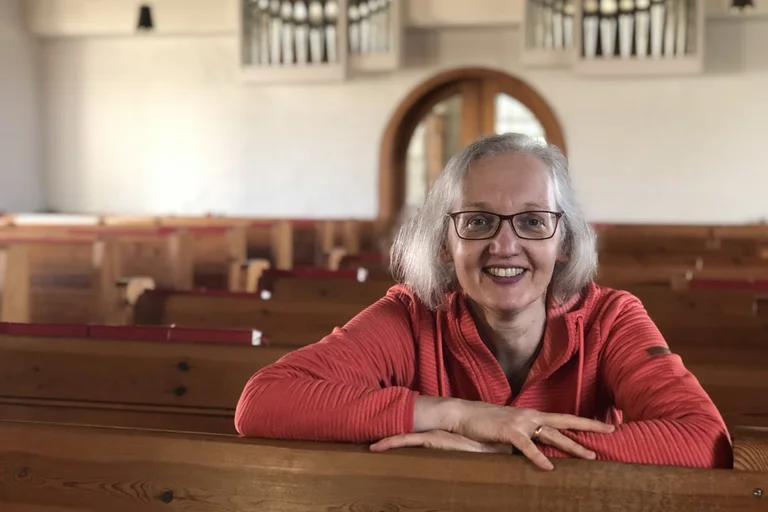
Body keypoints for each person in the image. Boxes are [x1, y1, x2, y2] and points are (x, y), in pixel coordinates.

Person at [234, 133, 732, 471]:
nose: (504, 245)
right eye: (477, 221)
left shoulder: (612, 318)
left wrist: (504, 448)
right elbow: (262, 402)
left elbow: (704, 440)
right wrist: (453, 414)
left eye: (533, 221)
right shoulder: (408, 316)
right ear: (442, 244)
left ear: (566, 244)